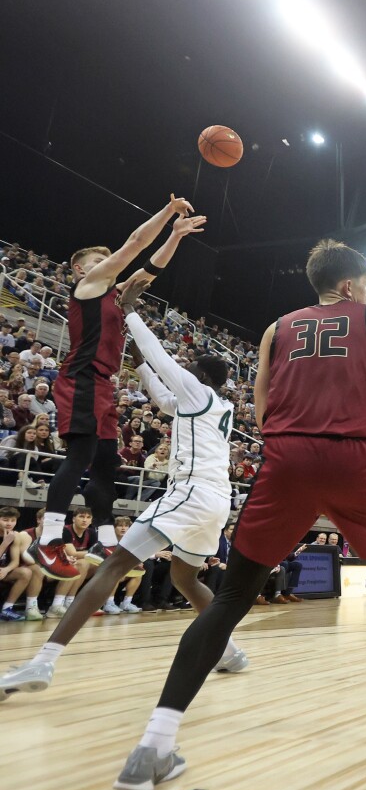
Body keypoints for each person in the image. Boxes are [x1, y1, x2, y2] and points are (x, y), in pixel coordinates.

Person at [110, 240, 366, 790]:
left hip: (285, 458)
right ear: (352, 288)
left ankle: (154, 745)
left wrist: (291, 443)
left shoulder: (276, 328)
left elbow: (259, 400)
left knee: (231, 598)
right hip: (352, 456)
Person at [0, 284, 246, 703]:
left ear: (200, 377)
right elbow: (164, 398)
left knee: (112, 566)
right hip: (216, 501)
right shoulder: (217, 407)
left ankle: (44, 660)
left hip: (189, 493)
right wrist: (138, 366)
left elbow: (164, 362)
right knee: (186, 577)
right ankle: (229, 650)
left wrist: (130, 313)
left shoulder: (198, 391)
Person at [32, 196, 202, 581]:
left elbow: (148, 269)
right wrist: (168, 212)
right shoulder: (89, 286)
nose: (106, 265)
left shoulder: (113, 293)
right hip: (82, 377)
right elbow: (135, 246)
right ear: (80, 269)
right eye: (97, 261)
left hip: (104, 384)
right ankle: (49, 539)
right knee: (80, 456)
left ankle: (104, 539)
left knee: (107, 462)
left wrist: (175, 236)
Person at [0, 506, 43, 621]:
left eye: (13, 520)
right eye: (5, 520)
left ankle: (7, 609)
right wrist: (4, 544)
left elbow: (15, 562)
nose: (9, 523)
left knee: (26, 572)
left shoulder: (16, 535)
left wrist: (6, 569)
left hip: (3, 571)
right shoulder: (8, 538)